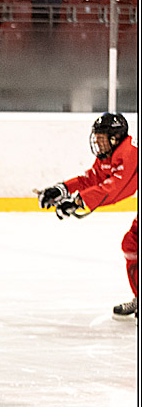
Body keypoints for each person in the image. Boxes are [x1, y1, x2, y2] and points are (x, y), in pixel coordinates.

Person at [36, 113, 138, 320]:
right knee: (132, 245)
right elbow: (93, 179)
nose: (98, 144)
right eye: (97, 138)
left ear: (115, 138)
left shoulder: (129, 153)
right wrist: (63, 189)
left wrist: (76, 202)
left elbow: (113, 189)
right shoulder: (111, 154)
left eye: (102, 139)